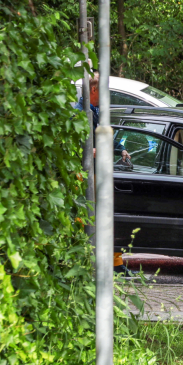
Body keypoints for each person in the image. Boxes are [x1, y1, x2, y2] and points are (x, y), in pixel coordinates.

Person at [72, 72, 133, 278]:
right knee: (88, 218)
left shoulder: (96, 111)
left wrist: (120, 149)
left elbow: (104, 133)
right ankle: (87, 259)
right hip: (85, 175)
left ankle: (114, 263)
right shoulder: (78, 114)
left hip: (100, 172)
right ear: (94, 90)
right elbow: (72, 144)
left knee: (106, 217)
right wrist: (87, 151)